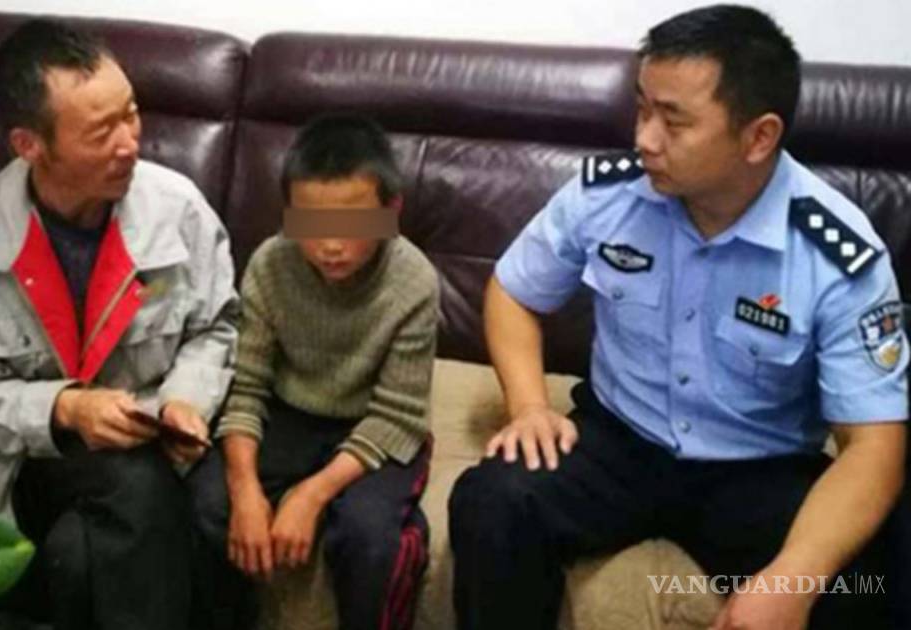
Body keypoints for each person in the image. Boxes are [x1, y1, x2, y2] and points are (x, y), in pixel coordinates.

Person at [448, 5, 907, 630]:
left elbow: (873, 445)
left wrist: (792, 578)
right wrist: (529, 406)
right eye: (642, 109)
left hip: (758, 467)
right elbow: (513, 291)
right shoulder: (607, 194)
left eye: (673, 121)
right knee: (492, 501)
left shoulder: (836, 253)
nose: (645, 138)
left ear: (758, 137)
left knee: (876, 574)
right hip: (619, 441)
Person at [0, 20, 238, 630]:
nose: (130, 143)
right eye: (100, 132)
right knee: (134, 486)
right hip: (31, 456)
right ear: (29, 145)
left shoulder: (177, 210)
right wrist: (64, 408)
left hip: (154, 432)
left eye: (131, 114)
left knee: (213, 509)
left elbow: (215, 327)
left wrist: (184, 402)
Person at [188, 114, 439, 630]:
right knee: (209, 500)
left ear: (391, 212)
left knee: (369, 535)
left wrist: (312, 493)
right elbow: (246, 389)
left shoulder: (413, 280)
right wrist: (245, 490)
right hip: (290, 413)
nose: (330, 245)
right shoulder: (270, 264)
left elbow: (398, 415)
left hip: (373, 422)